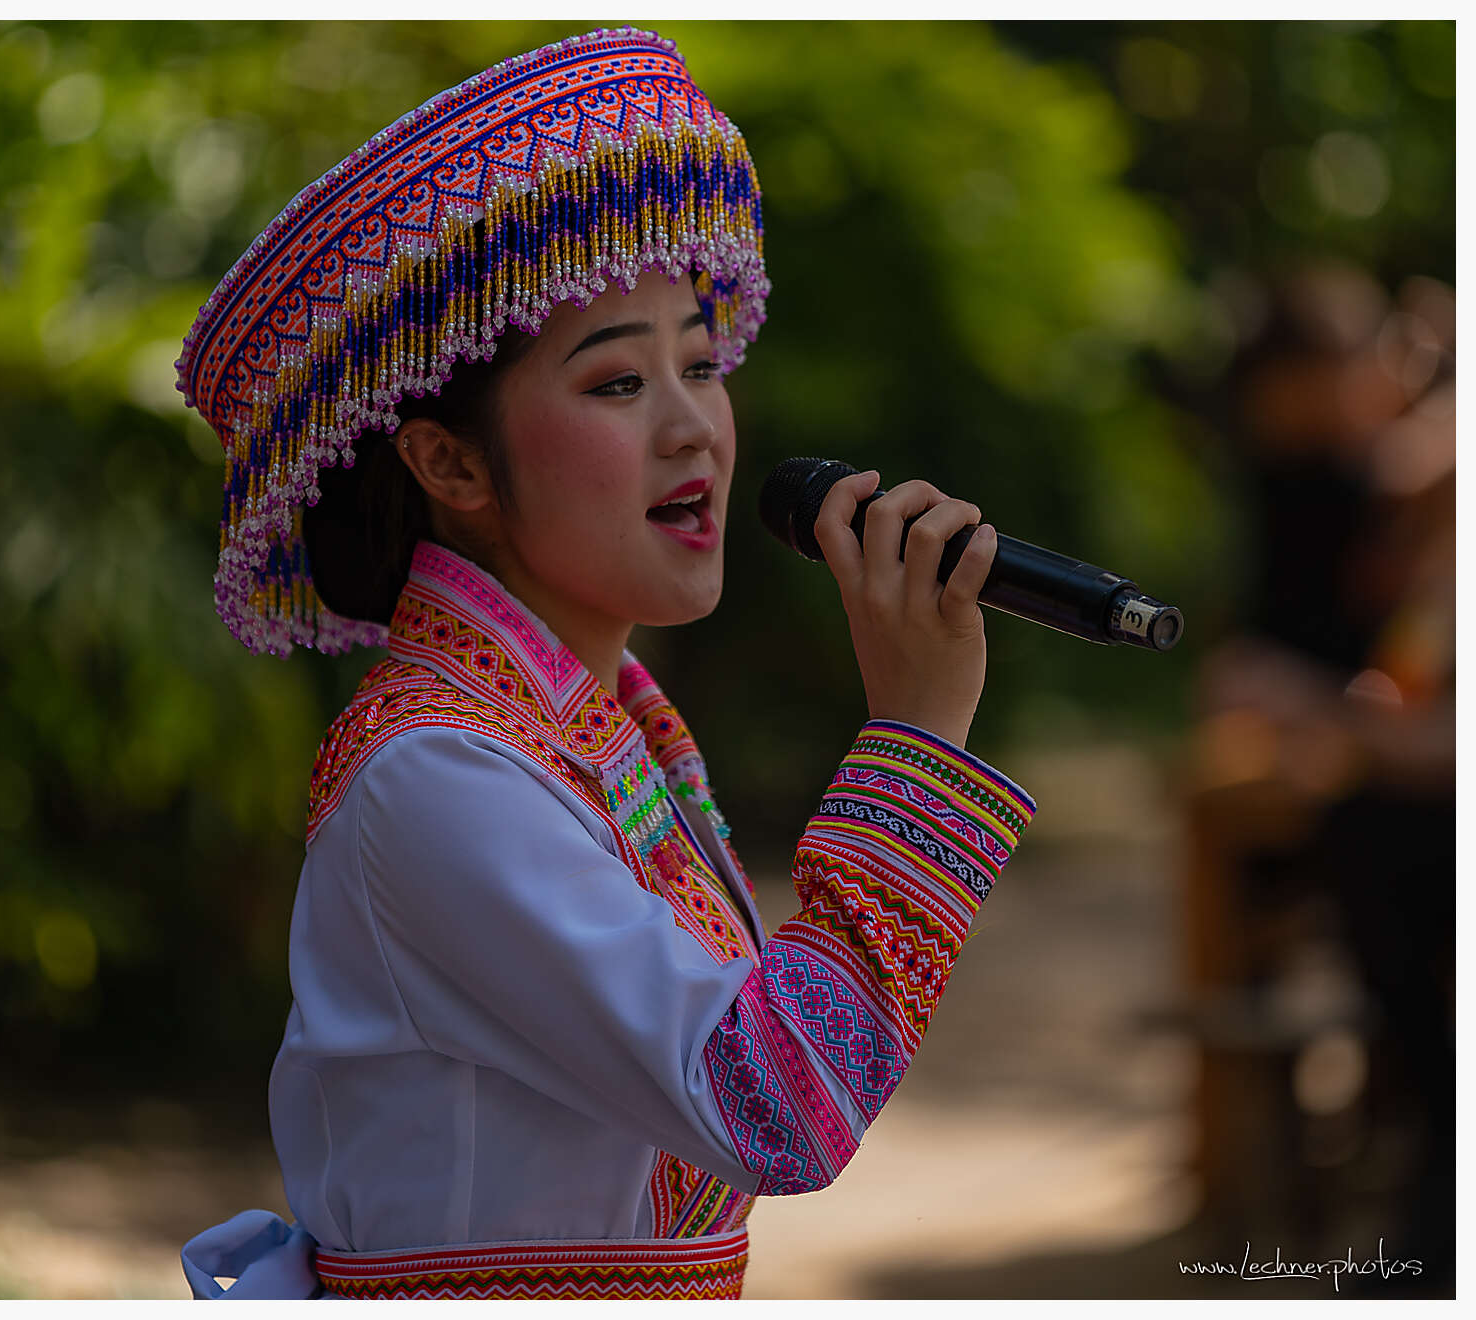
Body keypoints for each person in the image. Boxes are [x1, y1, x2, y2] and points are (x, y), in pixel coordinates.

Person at [172, 28, 1036, 1299]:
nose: (694, 423)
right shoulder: (438, 775)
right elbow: (774, 1104)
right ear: (450, 464)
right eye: (618, 382)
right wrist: (909, 745)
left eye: (698, 362)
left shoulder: (597, 735)